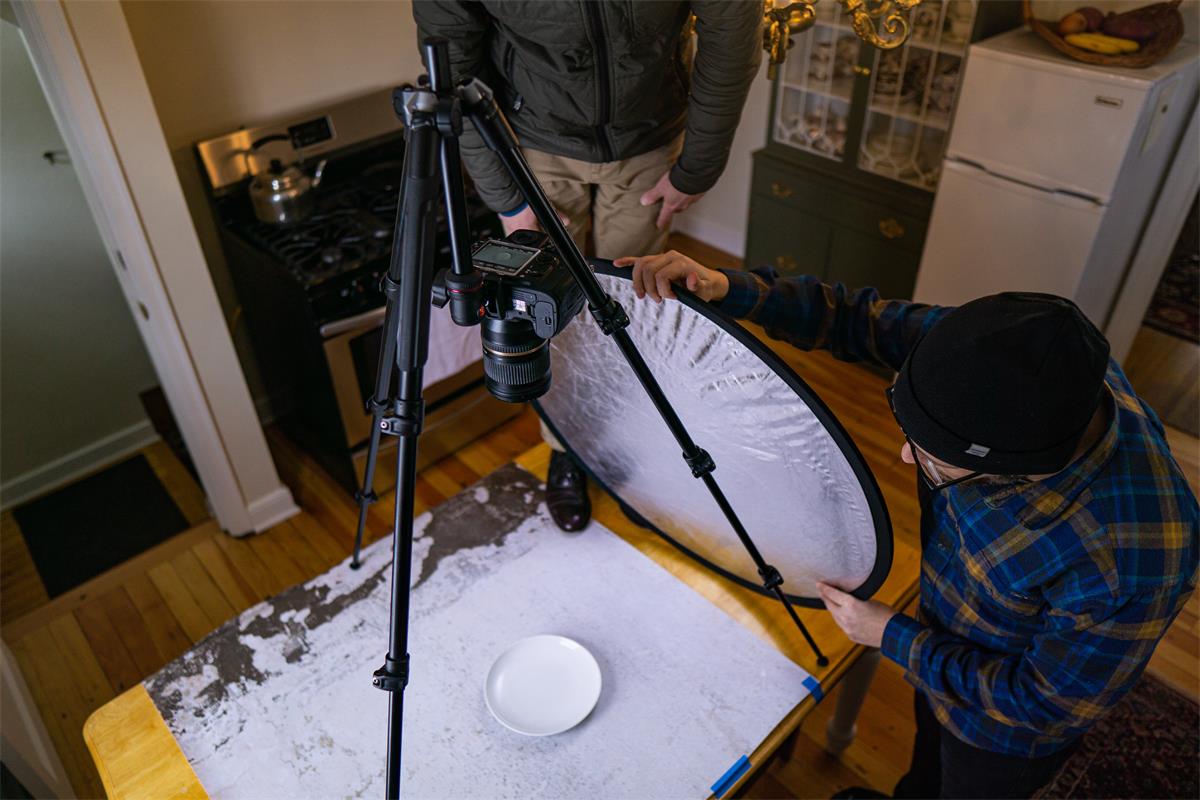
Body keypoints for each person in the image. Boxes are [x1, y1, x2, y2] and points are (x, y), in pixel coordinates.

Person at [615, 250, 1199, 800]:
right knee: (923, 764)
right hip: (945, 635)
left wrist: (891, 635)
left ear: (1017, 468)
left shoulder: (1134, 559)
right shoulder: (1002, 357)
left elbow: (1040, 703)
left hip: (999, 734)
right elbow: (858, 318)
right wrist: (732, 289)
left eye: (935, 458)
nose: (902, 458)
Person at [413, 1, 762, 532]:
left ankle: (630, 448)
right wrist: (508, 198)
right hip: (530, 143)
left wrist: (699, 167)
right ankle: (568, 449)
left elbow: (732, 39)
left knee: (635, 311)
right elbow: (452, 63)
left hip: (646, 139)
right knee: (553, 316)